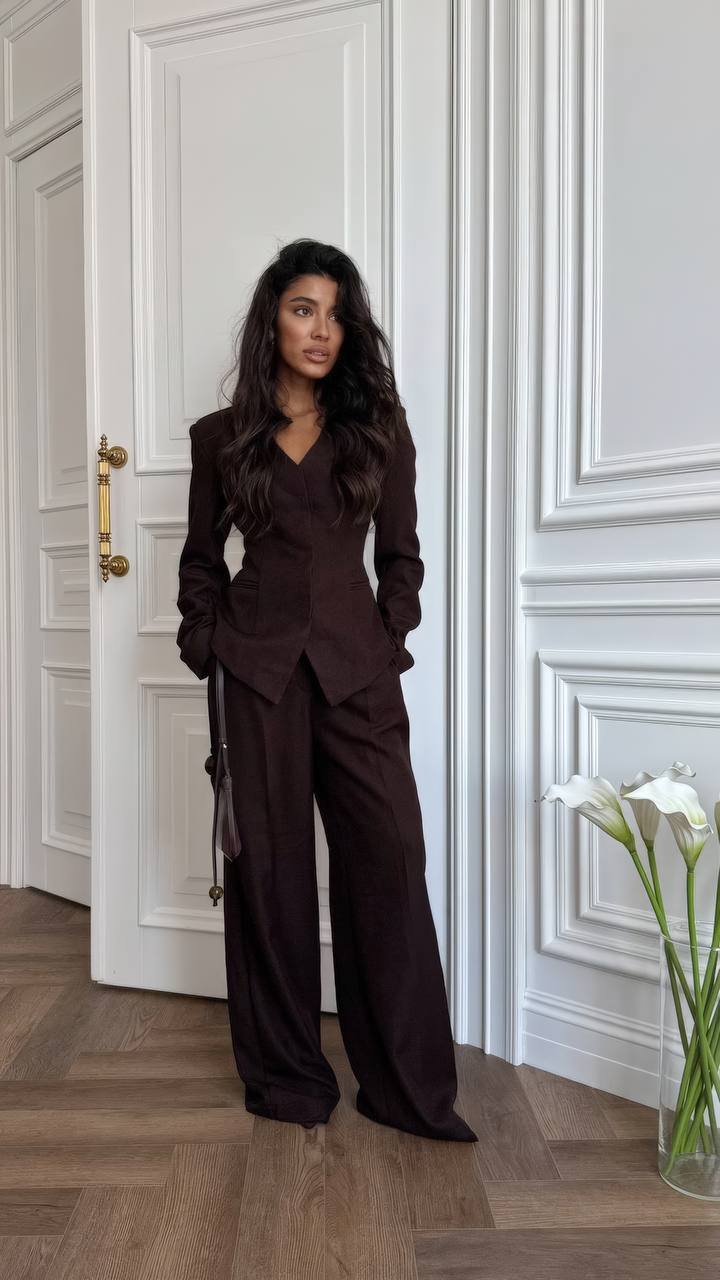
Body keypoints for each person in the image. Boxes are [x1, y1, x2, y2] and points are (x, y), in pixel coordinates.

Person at [176, 238, 477, 1143]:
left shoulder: (378, 430)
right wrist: (208, 643)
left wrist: (389, 639)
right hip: (257, 674)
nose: (322, 329)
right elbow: (200, 561)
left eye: (338, 313)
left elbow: (403, 558)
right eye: (304, 308)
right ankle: (289, 1081)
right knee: (269, 876)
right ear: (273, 316)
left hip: (359, 677)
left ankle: (406, 1089)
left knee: (388, 863)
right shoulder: (220, 438)